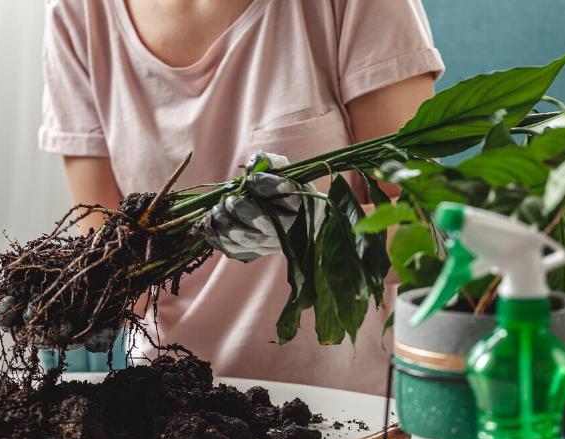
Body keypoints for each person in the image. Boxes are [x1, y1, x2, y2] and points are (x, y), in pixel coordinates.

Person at [39, 0, 444, 394]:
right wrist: (73, 298)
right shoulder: (78, 14)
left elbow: (433, 233)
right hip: (173, 408)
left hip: (340, 413)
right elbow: (111, 257)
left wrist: (314, 228)